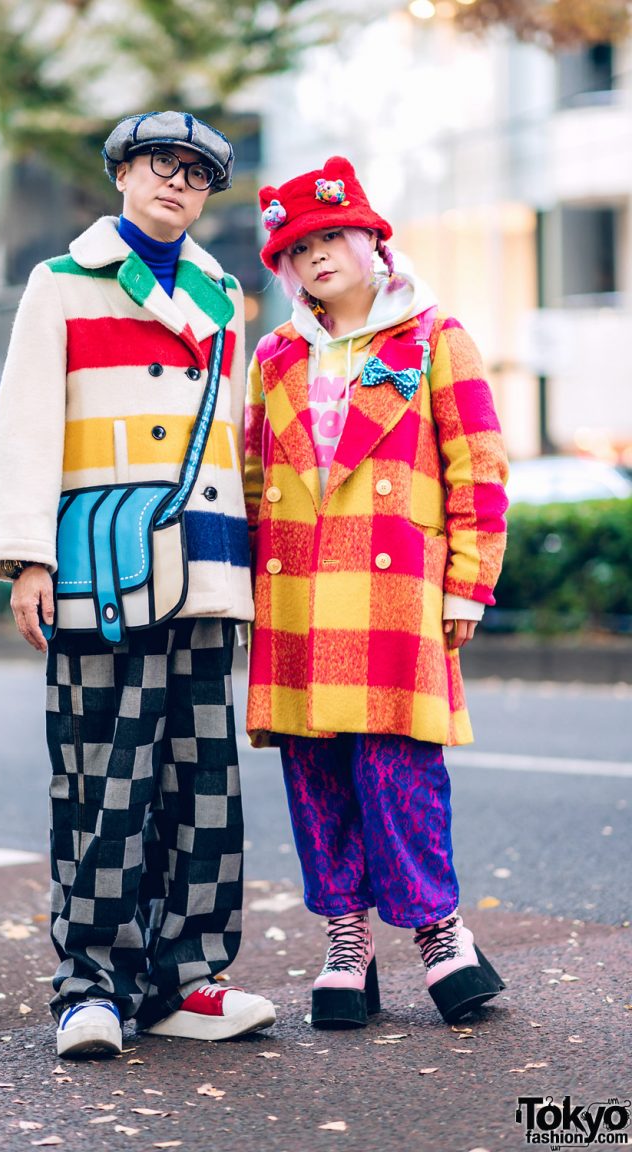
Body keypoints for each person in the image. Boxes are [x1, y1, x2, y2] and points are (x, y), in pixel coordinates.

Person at [0, 110, 276, 1058]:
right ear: (122, 174)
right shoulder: (61, 284)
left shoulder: (223, 292)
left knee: (203, 779)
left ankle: (189, 978)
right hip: (98, 570)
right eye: (160, 165)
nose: (177, 183)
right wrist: (28, 555)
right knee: (103, 775)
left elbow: (231, 437)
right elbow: (25, 426)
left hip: (203, 565)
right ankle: (92, 984)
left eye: (195, 173)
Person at [244, 156, 509, 1030]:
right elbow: (252, 478)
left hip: (394, 592)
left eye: (331, 237)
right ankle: (346, 943)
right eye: (298, 247)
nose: (317, 256)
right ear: (283, 267)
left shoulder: (433, 336)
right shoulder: (275, 355)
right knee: (314, 773)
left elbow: (479, 468)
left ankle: (441, 933)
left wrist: (468, 583)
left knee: (399, 768)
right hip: (297, 593)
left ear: (370, 239)